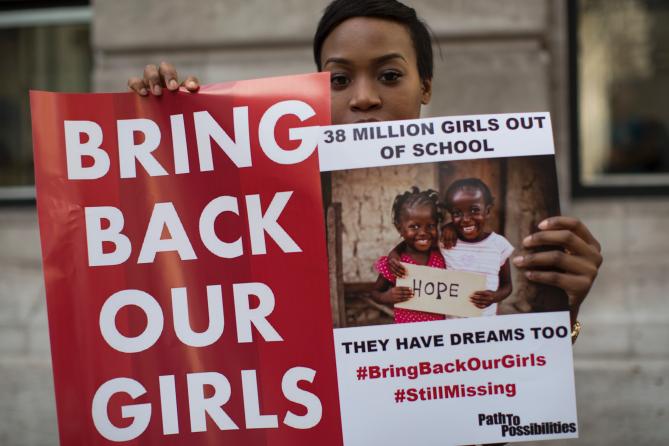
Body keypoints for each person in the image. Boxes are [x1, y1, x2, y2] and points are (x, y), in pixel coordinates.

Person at [126, 0, 602, 333]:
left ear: (426, 86)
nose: (365, 97)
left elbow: (508, 351)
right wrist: (171, 138)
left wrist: (564, 309)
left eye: (390, 75)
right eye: (339, 78)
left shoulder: (468, 243)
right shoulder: (266, 202)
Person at [372, 187, 447, 323]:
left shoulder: (442, 255)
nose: (423, 232)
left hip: (439, 331)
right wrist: (386, 297)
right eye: (414, 227)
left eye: (430, 225)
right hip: (408, 334)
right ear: (399, 228)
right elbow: (375, 293)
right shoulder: (396, 263)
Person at [440, 178, 513, 315]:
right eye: (457, 213)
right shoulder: (447, 242)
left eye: (474, 210)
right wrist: (447, 227)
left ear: (488, 211)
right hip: (451, 323)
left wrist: (494, 297)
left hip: (486, 323)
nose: (466, 219)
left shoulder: (498, 245)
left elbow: (507, 286)